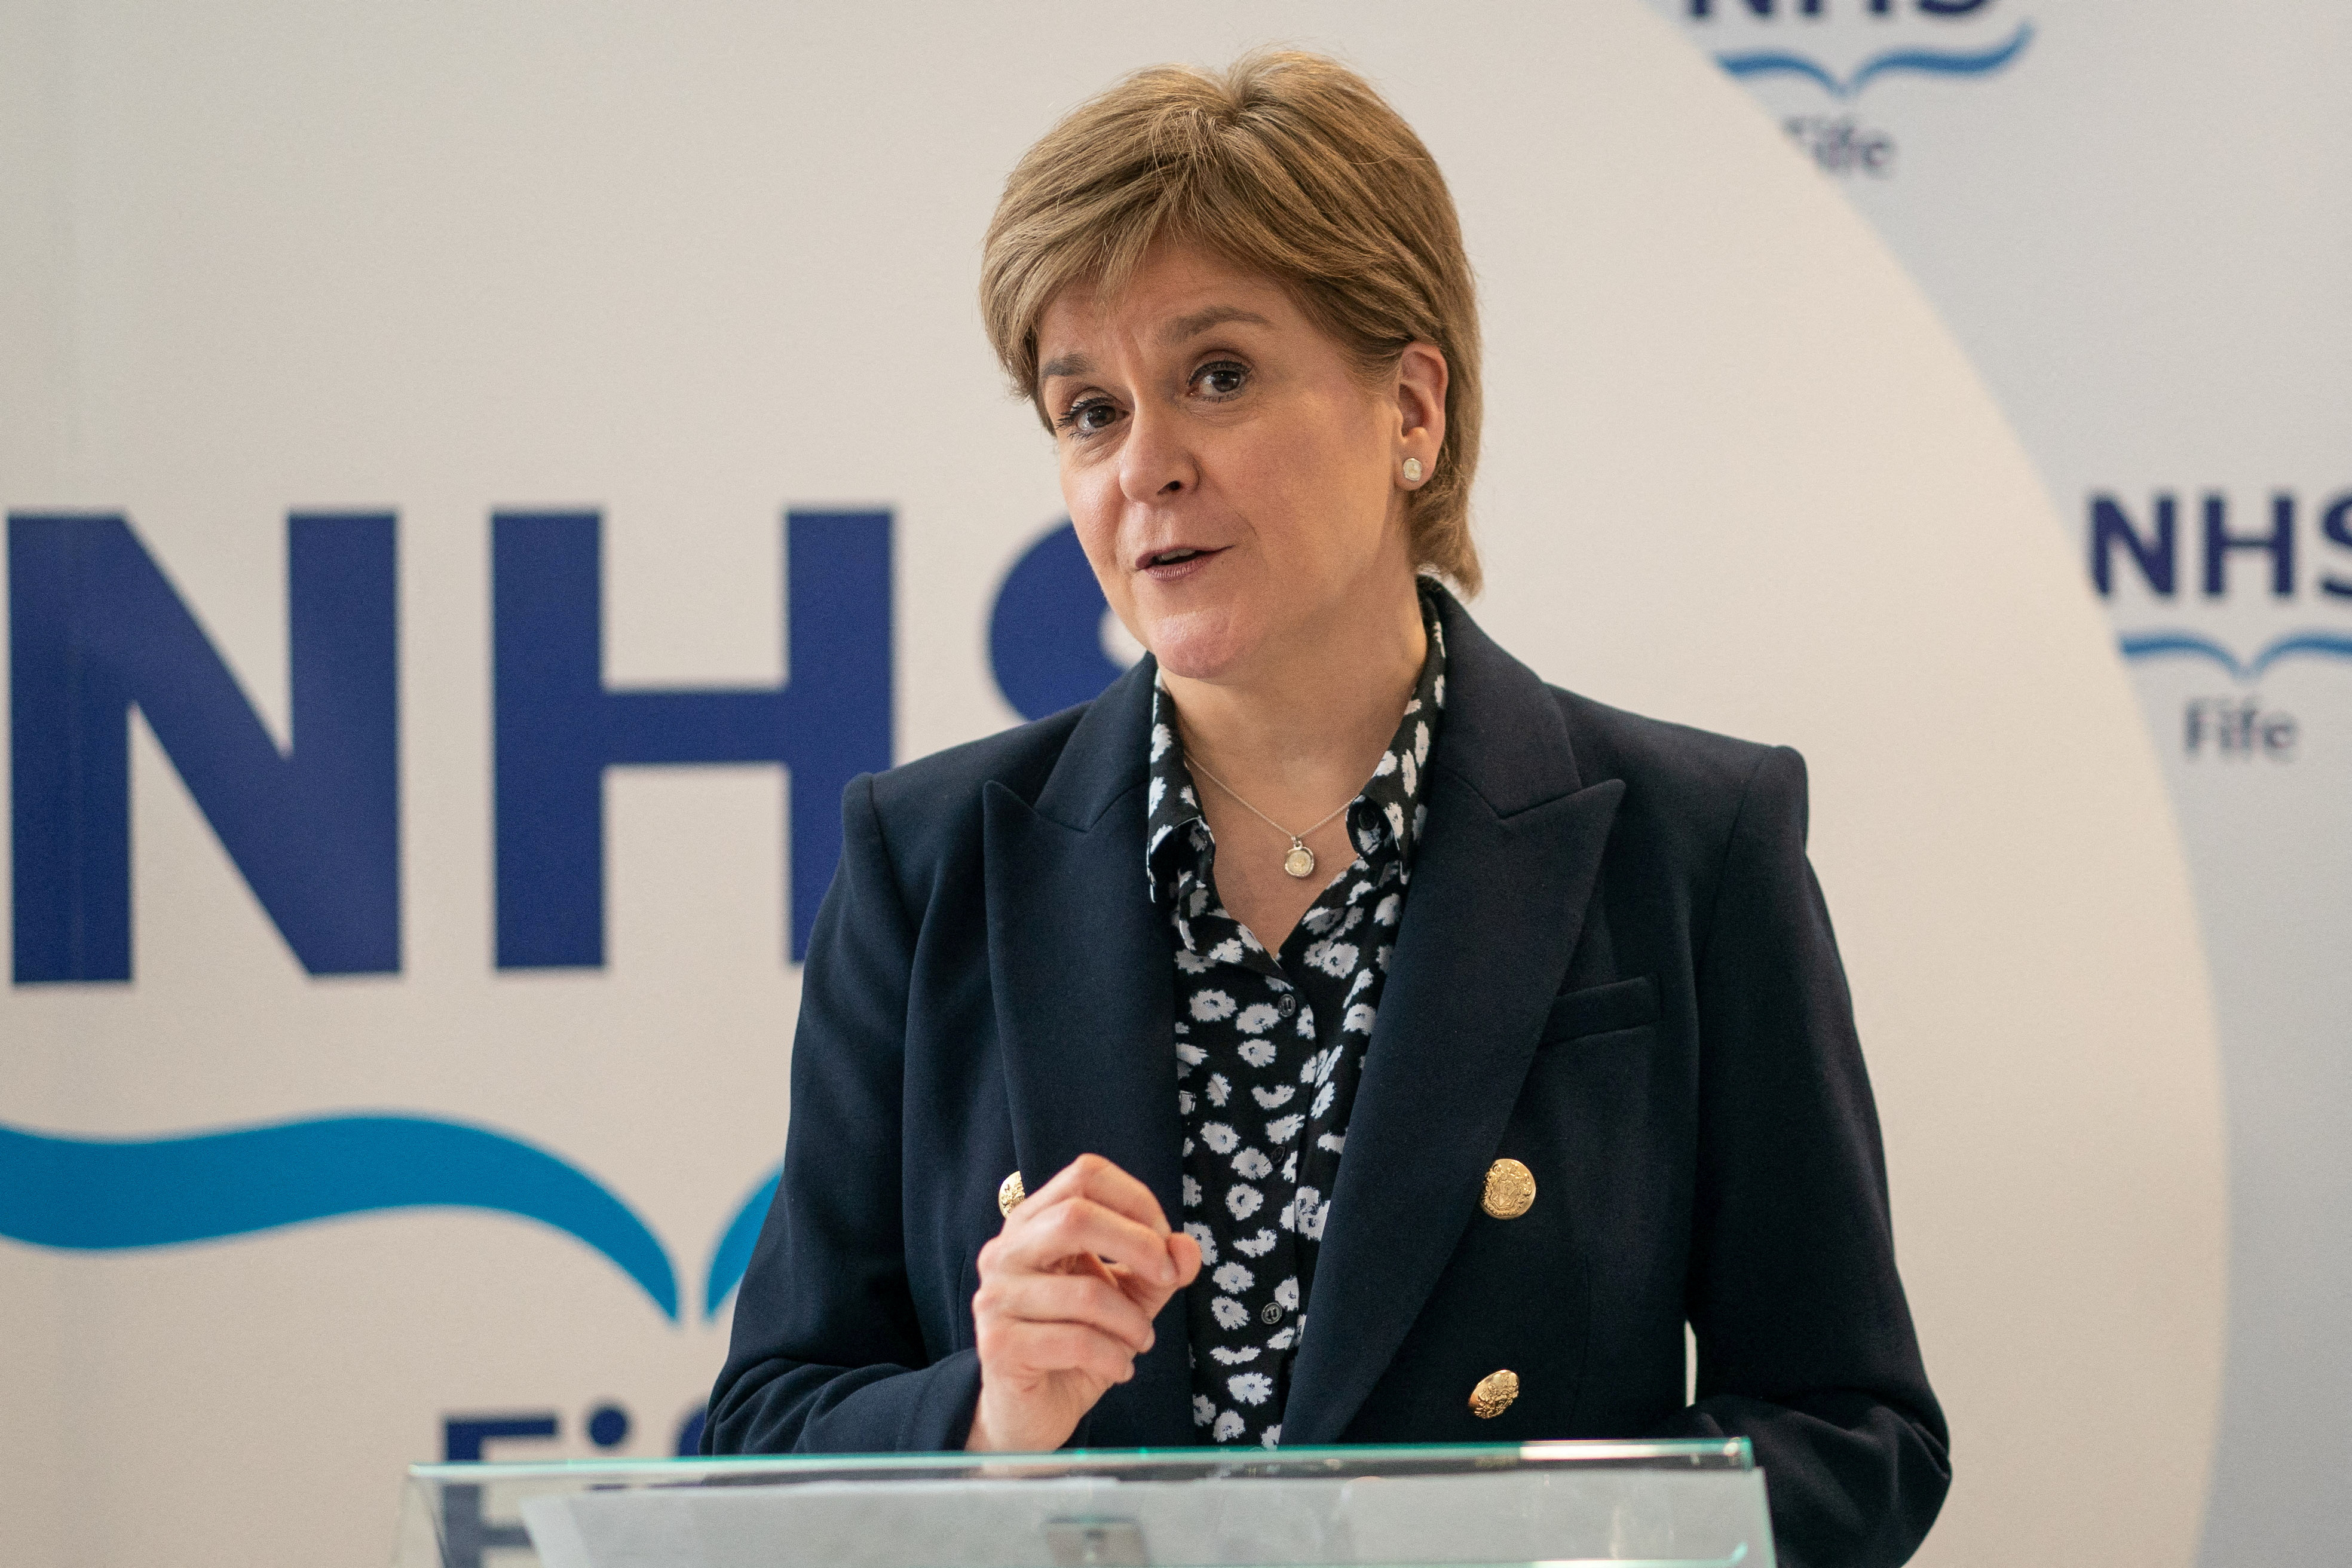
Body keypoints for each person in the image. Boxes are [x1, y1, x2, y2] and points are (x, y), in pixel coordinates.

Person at [705, 49, 1949, 1568]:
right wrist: (993, 1417)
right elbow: (762, 1435)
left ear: (1410, 405)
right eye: (1088, 410)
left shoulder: (1694, 843)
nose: (1146, 466)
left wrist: (1557, 1541)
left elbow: (1855, 1433)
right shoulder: (929, 859)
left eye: (1216, 377)